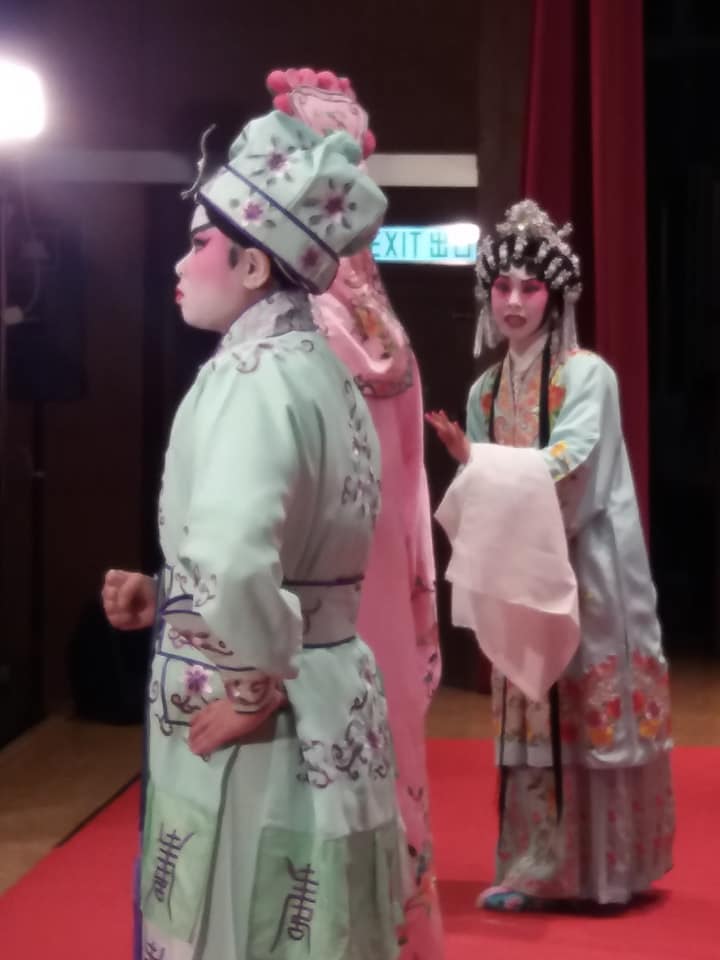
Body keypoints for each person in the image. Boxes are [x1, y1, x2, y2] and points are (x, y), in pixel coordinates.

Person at [102, 109, 406, 959]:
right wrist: (170, 595)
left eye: (198, 243)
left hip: (261, 711)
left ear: (251, 263)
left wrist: (250, 678)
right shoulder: (328, 375)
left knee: (241, 923)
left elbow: (239, 560)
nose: (179, 263)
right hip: (332, 690)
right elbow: (303, 556)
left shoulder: (247, 375)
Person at [427, 199, 674, 911]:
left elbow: (574, 462)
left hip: (586, 560)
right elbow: (484, 488)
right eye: (502, 287)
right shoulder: (485, 389)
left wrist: (478, 461)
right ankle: (533, 867)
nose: (513, 301)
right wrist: (475, 467)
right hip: (521, 567)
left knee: (585, 709)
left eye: (529, 288)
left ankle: (606, 872)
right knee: (528, 704)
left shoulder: (586, 375)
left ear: (554, 296)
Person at [266, 66, 442, 956]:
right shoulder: (326, 313)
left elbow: (404, 463)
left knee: (360, 740)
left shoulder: (340, 310)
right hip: (332, 567)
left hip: (348, 570)